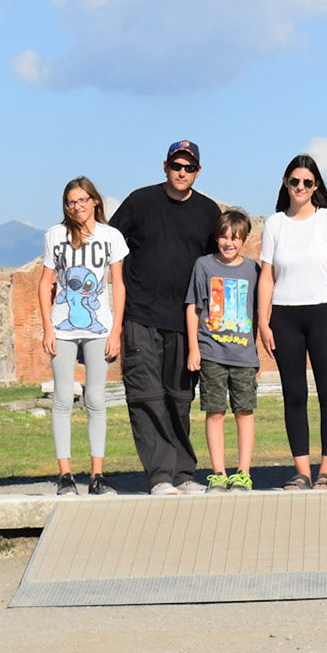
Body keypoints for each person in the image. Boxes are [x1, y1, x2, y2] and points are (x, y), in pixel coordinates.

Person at [110, 140, 221, 496]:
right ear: (165, 166)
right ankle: (159, 476)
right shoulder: (140, 202)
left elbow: (218, 264)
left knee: (179, 398)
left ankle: (182, 473)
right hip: (140, 315)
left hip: (186, 320)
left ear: (198, 172)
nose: (182, 172)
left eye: (189, 167)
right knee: (146, 395)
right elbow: (109, 244)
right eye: (176, 166)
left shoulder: (208, 211)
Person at [256, 154, 327, 490]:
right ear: (285, 183)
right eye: (294, 181)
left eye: (307, 182)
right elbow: (267, 277)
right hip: (285, 316)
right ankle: (302, 472)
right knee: (294, 394)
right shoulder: (274, 224)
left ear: (316, 186)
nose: (300, 187)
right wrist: (263, 322)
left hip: (325, 312)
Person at [38, 177, 128, 497]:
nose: (76, 206)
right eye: (70, 202)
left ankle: (97, 476)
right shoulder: (55, 236)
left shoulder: (110, 237)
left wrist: (116, 330)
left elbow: (118, 285)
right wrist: (47, 328)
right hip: (61, 328)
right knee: (63, 398)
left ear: (95, 201)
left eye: (82, 200)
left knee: (96, 399)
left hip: (99, 328)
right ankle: (65, 476)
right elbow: (45, 283)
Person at [185, 208, 259, 492]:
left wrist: (256, 351)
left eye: (235, 238)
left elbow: (259, 310)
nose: (229, 243)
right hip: (211, 352)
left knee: (244, 411)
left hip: (243, 355)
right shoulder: (204, 265)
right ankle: (218, 472)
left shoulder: (253, 270)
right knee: (214, 412)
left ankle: (243, 472)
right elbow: (193, 307)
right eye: (224, 237)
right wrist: (194, 348)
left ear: (244, 240)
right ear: (216, 238)